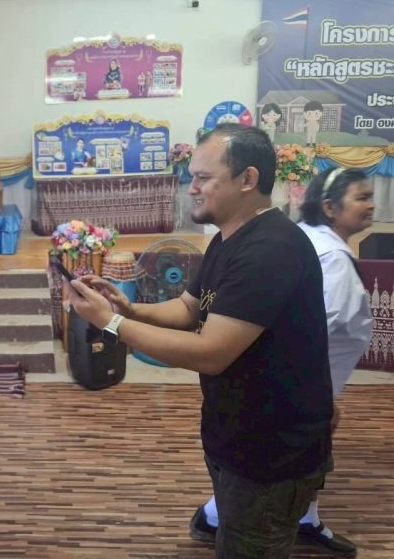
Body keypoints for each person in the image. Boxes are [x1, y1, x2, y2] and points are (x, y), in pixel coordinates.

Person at [66, 123, 334, 559]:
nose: (191, 188)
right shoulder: (229, 239)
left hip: (271, 451)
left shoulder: (270, 250)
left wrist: (110, 324)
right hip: (236, 433)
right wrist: (128, 309)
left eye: (204, 178)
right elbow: (190, 308)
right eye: (192, 176)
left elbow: (211, 353)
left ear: (247, 179)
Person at [194, 167, 374, 558]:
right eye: (361, 197)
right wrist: (118, 323)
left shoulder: (294, 239)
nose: (370, 205)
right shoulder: (322, 256)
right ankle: (215, 516)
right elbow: (304, 335)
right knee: (260, 498)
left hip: (287, 399)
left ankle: (294, 518)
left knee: (255, 490)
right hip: (288, 404)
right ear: (329, 207)